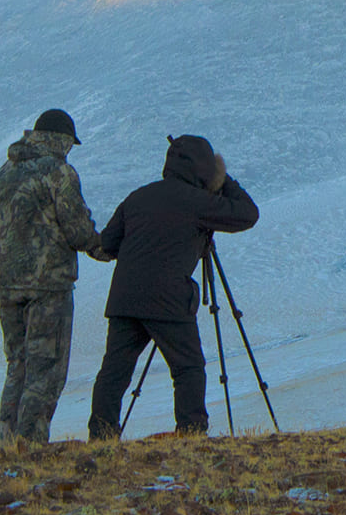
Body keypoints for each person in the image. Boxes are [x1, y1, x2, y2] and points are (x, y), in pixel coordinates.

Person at [87, 134, 259, 438]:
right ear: (204, 170)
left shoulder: (138, 197)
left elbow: (108, 244)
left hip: (125, 298)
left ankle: (101, 437)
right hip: (168, 299)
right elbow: (247, 214)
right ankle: (191, 433)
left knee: (114, 372)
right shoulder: (197, 202)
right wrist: (223, 179)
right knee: (188, 368)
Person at [0, 108, 110, 443]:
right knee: (45, 369)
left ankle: (7, 443)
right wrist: (107, 248)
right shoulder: (58, 172)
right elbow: (77, 230)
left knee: (18, 364)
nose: (71, 149)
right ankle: (31, 447)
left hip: (6, 282)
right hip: (48, 284)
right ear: (61, 139)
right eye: (70, 143)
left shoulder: (5, 171)